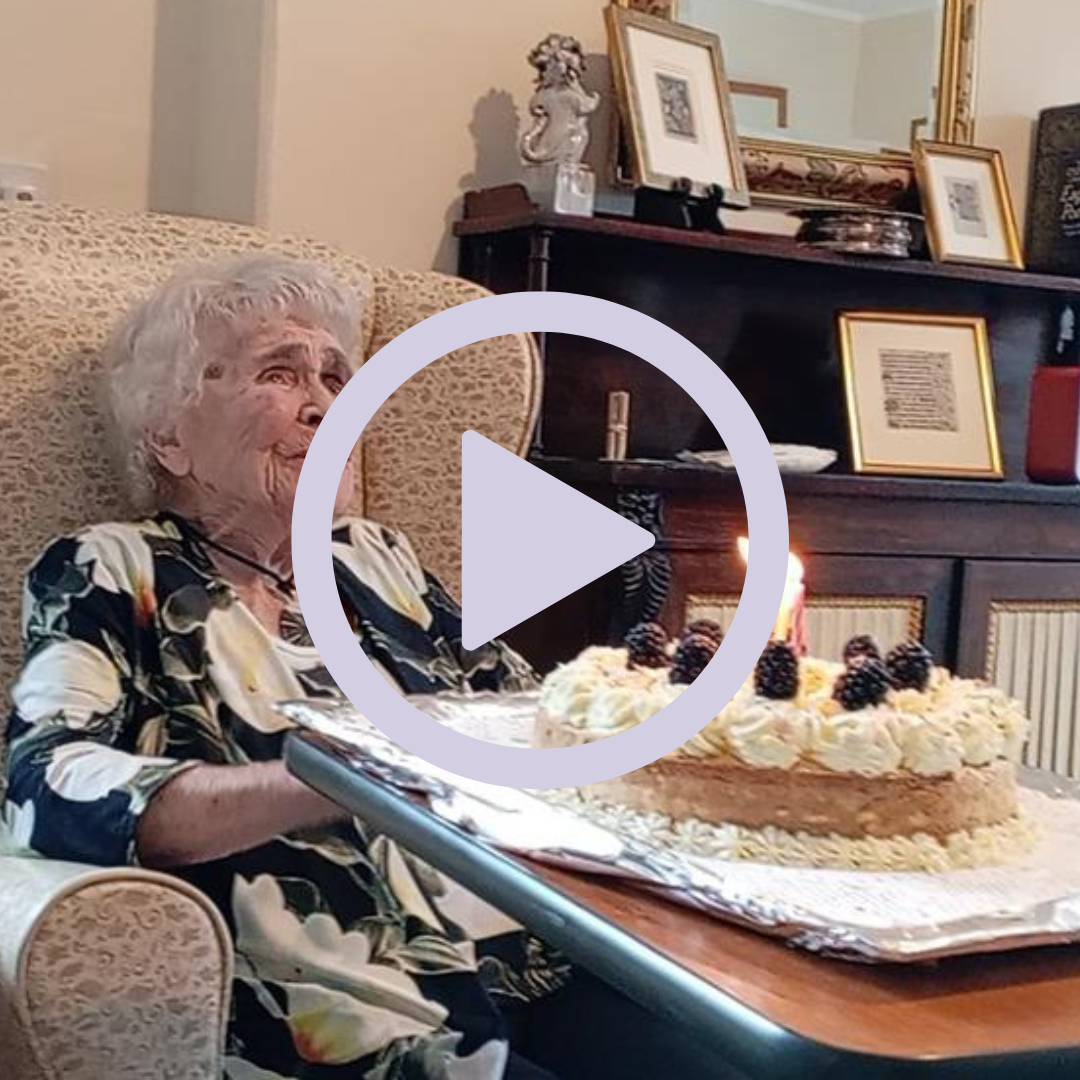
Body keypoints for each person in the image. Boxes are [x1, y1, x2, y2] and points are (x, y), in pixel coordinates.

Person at [0, 254, 569, 1080]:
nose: (327, 406)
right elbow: (43, 786)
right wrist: (336, 778)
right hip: (356, 1019)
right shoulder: (112, 569)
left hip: (536, 964)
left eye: (336, 378)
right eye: (279, 372)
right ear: (169, 436)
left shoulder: (380, 562)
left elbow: (532, 716)